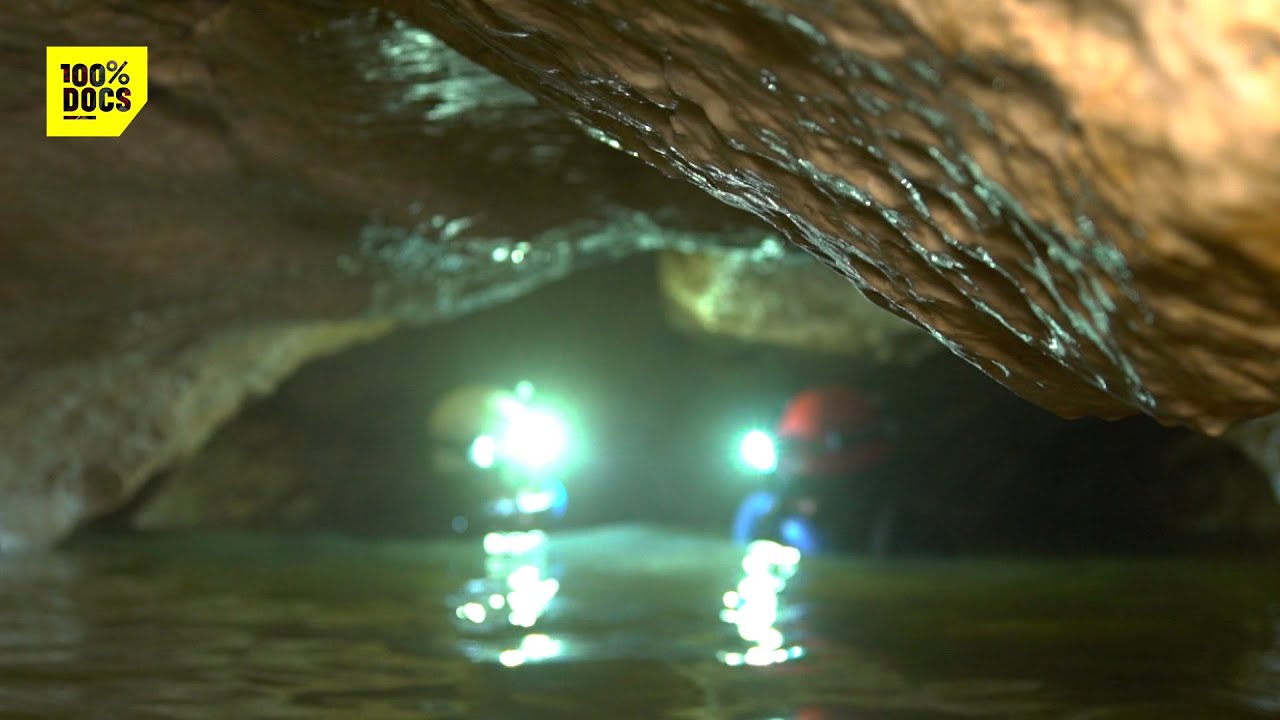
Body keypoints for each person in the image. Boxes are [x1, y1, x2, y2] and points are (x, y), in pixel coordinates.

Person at [733, 385, 895, 554]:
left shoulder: (885, 528)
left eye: (819, 487)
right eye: (803, 486)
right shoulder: (763, 509)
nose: (809, 505)